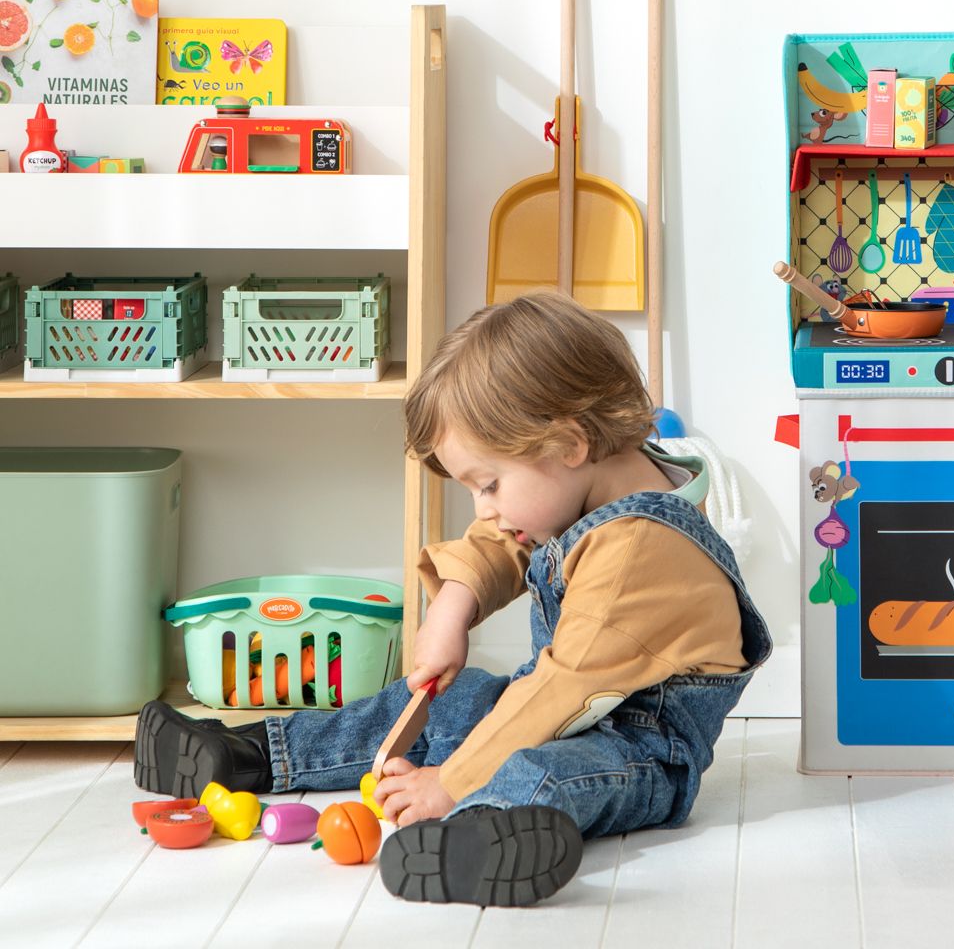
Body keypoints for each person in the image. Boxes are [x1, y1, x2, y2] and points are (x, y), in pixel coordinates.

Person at [134, 291, 771, 908]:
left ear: (570, 444)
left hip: (641, 751)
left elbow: (559, 692)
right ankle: (250, 755)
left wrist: (452, 782)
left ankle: (481, 839)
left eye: (488, 484)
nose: (483, 509)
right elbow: (503, 543)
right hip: (560, 708)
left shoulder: (641, 548)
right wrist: (453, 608)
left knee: (545, 773)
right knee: (453, 700)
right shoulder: (591, 485)